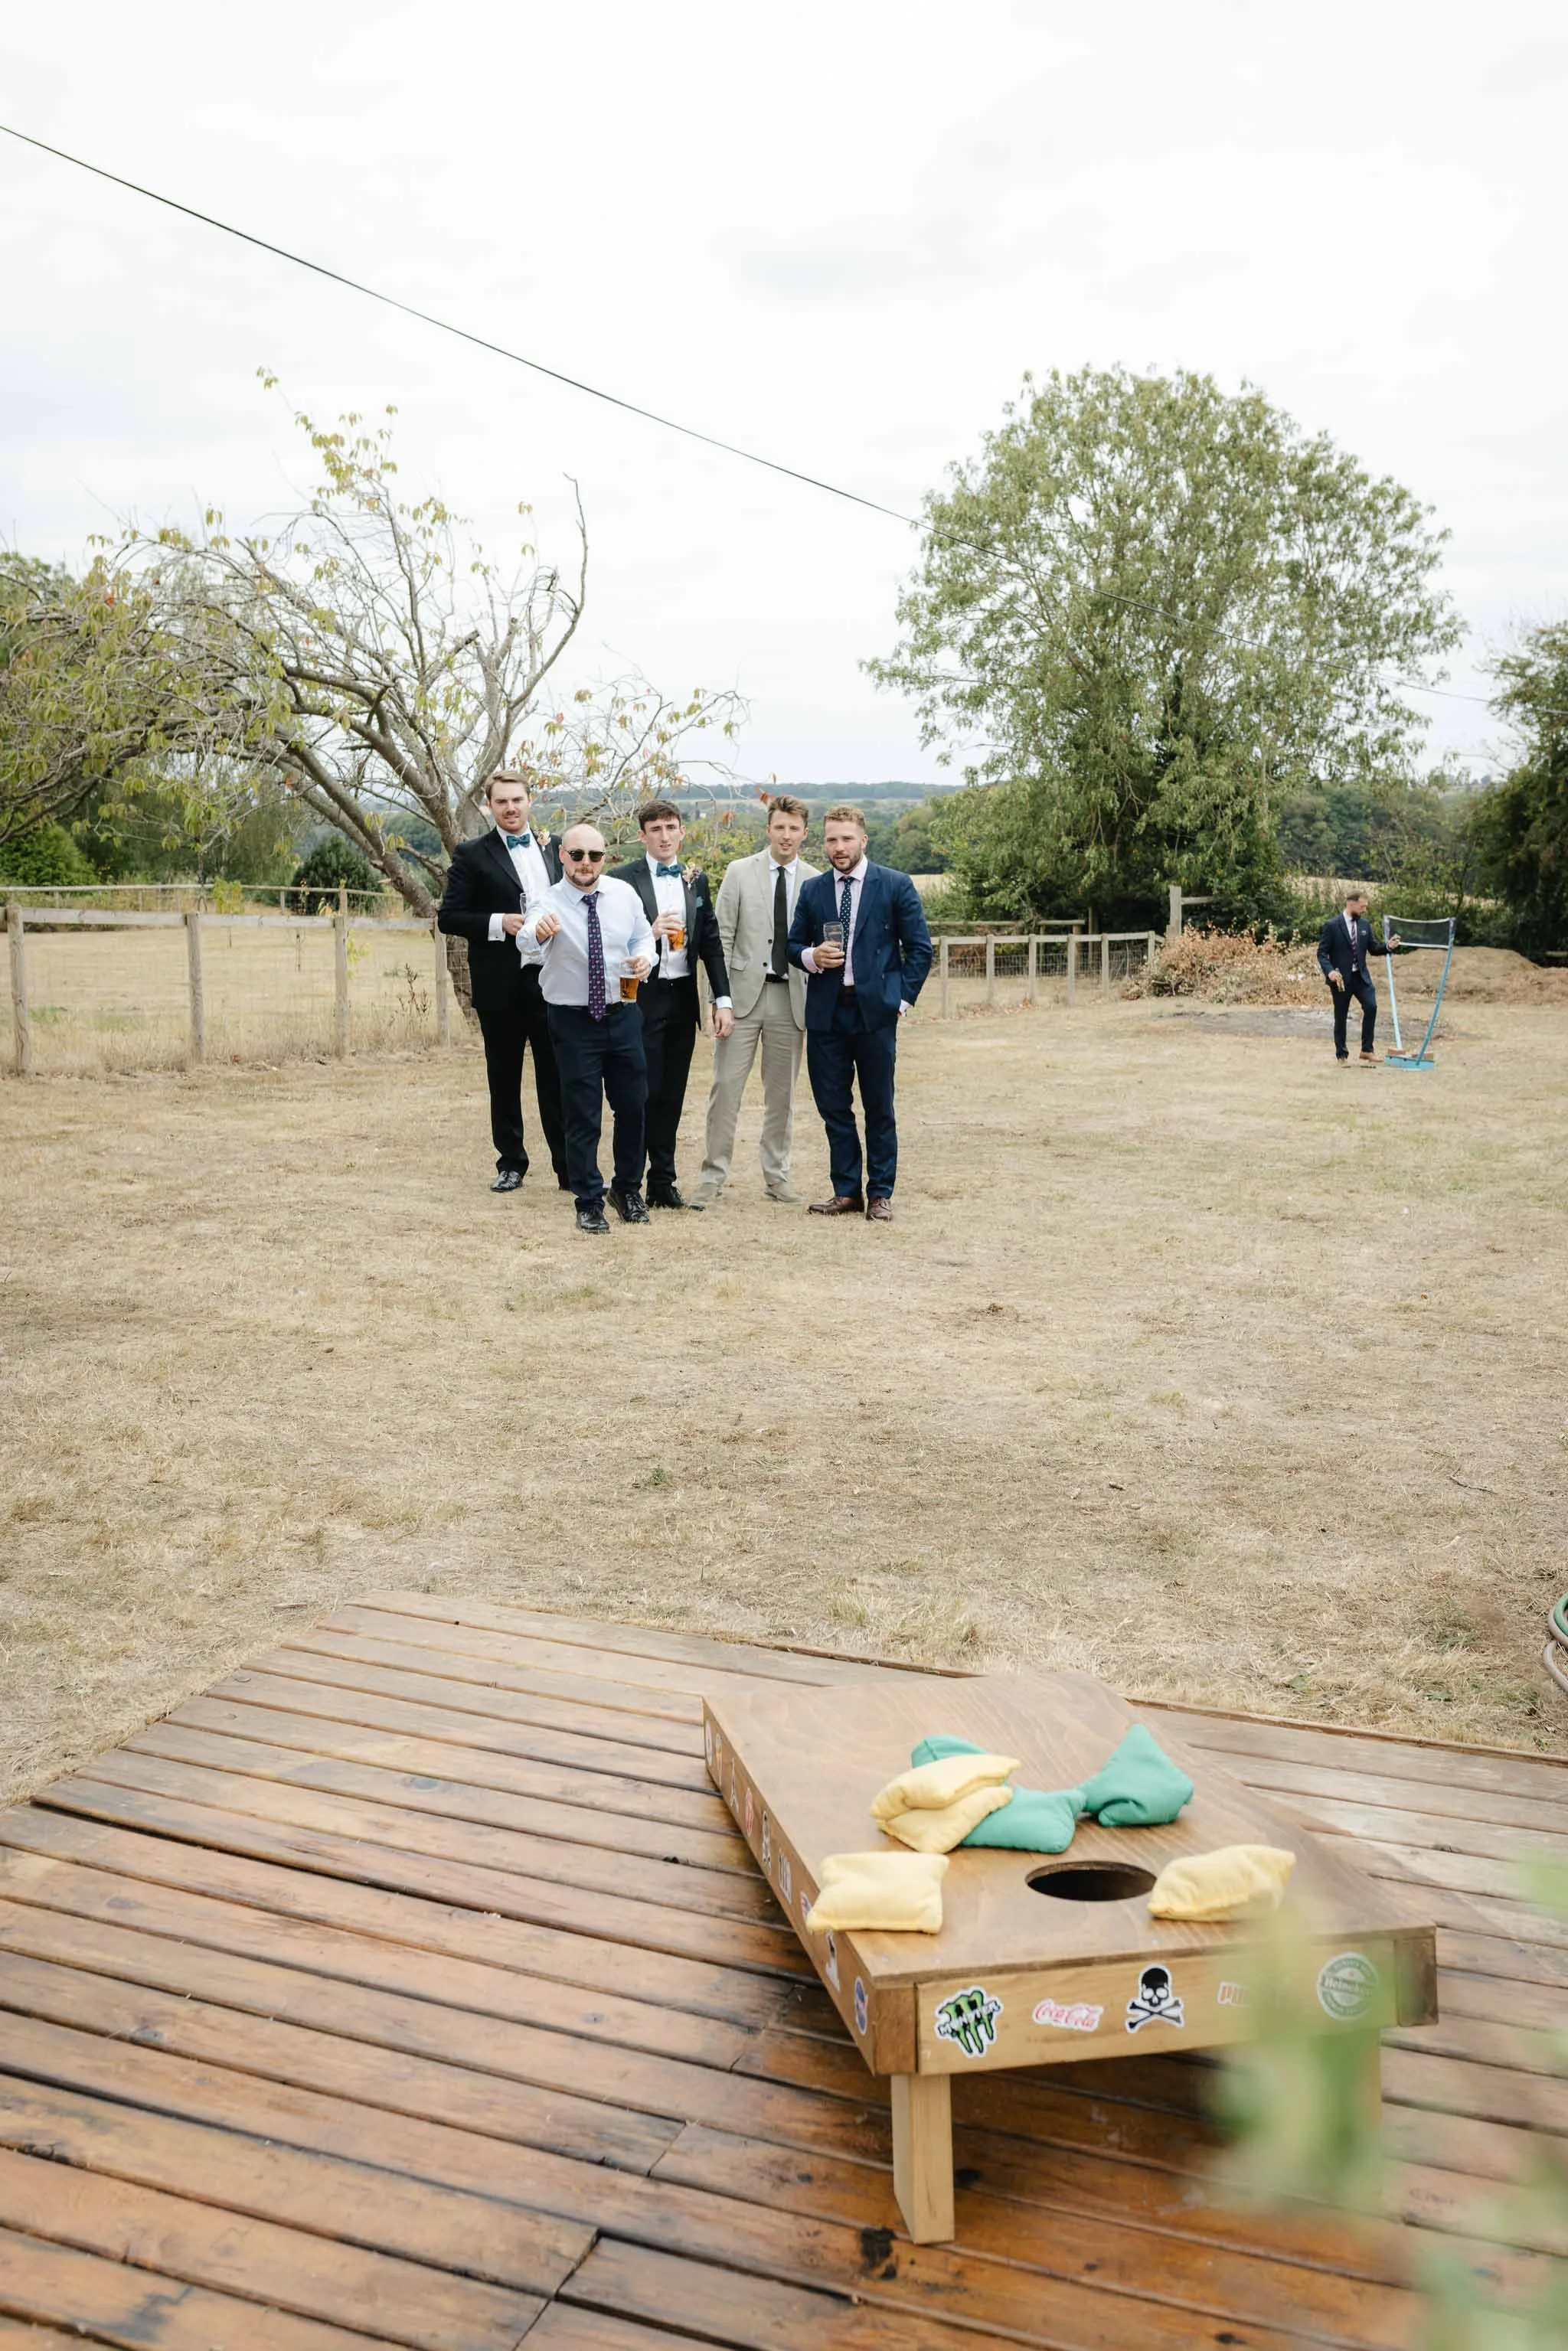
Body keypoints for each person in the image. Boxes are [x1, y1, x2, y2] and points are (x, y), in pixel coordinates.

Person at [787, 803, 933, 1222]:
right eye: (832, 839)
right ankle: (846, 1191)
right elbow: (792, 946)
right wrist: (811, 956)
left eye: (847, 838)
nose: (839, 847)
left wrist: (900, 1001)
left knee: (879, 1106)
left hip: (876, 1014)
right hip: (826, 1013)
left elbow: (920, 949)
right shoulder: (813, 890)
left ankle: (881, 1193)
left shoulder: (895, 885)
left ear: (863, 840)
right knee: (833, 1107)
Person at [436, 770, 567, 1193]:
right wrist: (499, 923)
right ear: (489, 806)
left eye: (517, 800)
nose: (510, 808)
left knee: (558, 1077)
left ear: (530, 801)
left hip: (552, 981)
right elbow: (448, 917)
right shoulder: (471, 854)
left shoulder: (557, 848)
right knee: (504, 1076)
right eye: (501, 802)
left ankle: (568, 1166)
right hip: (501, 984)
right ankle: (511, 1162)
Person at [522, 824, 655, 1233]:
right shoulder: (548, 901)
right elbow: (527, 939)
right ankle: (589, 1201)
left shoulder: (623, 895)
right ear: (562, 855)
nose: (586, 863)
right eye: (577, 855)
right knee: (582, 1112)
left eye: (594, 856)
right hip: (572, 1019)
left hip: (623, 1012)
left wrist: (645, 959)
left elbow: (643, 938)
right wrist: (537, 933)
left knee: (633, 1106)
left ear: (605, 857)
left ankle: (627, 1190)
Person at [694, 794, 818, 1208]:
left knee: (781, 1096)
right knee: (726, 1089)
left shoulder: (815, 880)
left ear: (804, 833)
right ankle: (712, 1177)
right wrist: (720, 1000)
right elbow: (721, 938)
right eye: (780, 827)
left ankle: (777, 1177)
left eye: (794, 829)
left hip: (791, 999)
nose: (786, 835)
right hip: (742, 999)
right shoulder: (739, 871)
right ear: (768, 829)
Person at [608, 799, 732, 1209]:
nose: (665, 836)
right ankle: (627, 1183)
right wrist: (649, 931)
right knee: (639, 1093)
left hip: (682, 999)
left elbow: (710, 942)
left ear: (682, 832)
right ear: (642, 836)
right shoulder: (621, 880)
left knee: (672, 1094)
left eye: (671, 828)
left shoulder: (696, 879)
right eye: (656, 829)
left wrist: (722, 999)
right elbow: (610, 941)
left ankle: (663, 1182)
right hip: (640, 997)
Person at [1317, 891, 1403, 1065]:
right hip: (1341, 979)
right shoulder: (1332, 925)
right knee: (1341, 1016)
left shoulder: (1365, 925)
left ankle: (1367, 1050)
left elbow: (1373, 948)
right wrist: (1330, 972)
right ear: (1351, 903)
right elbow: (1322, 953)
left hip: (1361, 978)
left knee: (1371, 1007)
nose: (1364, 910)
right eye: (1362, 906)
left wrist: (1388, 947)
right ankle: (1342, 1055)